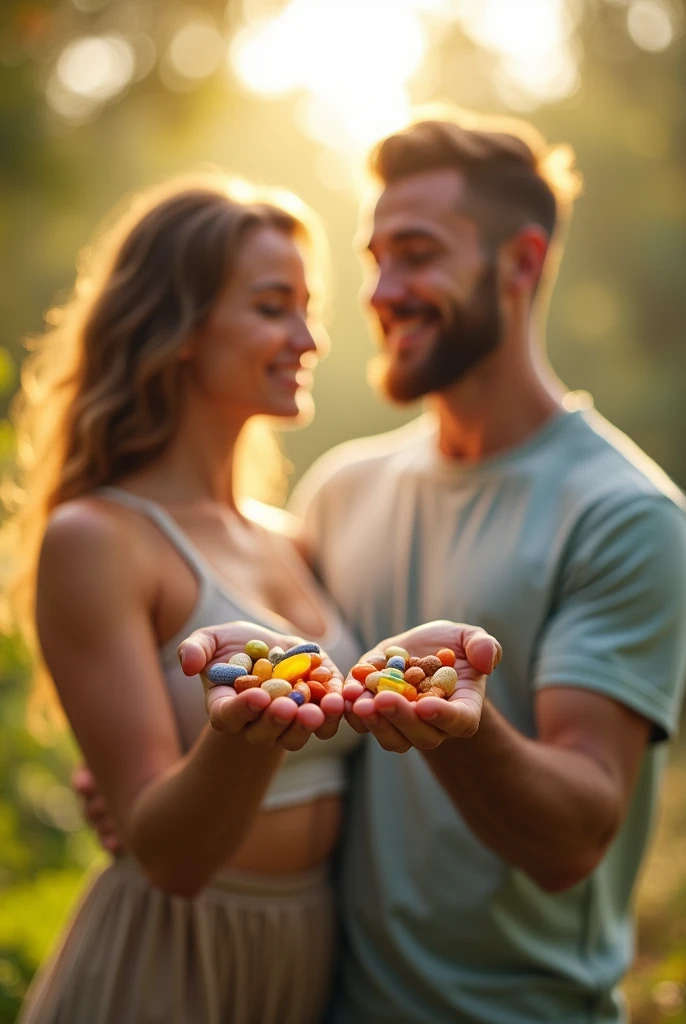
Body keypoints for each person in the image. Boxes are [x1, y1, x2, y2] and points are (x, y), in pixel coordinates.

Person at [173, 111, 686, 1023]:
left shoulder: (625, 516)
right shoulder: (342, 489)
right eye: (375, 258)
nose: (382, 291)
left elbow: (575, 835)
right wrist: (158, 773)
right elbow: (289, 695)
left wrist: (461, 730)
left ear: (520, 262)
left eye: (416, 254)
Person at [9, 169, 500, 1024]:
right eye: (274, 307)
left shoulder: (291, 535)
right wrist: (240, 740)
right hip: (170, 963)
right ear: (181, 325)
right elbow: (168, 855)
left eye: (309, 307)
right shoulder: (97, 539)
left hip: (309, 964)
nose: (309, 337)